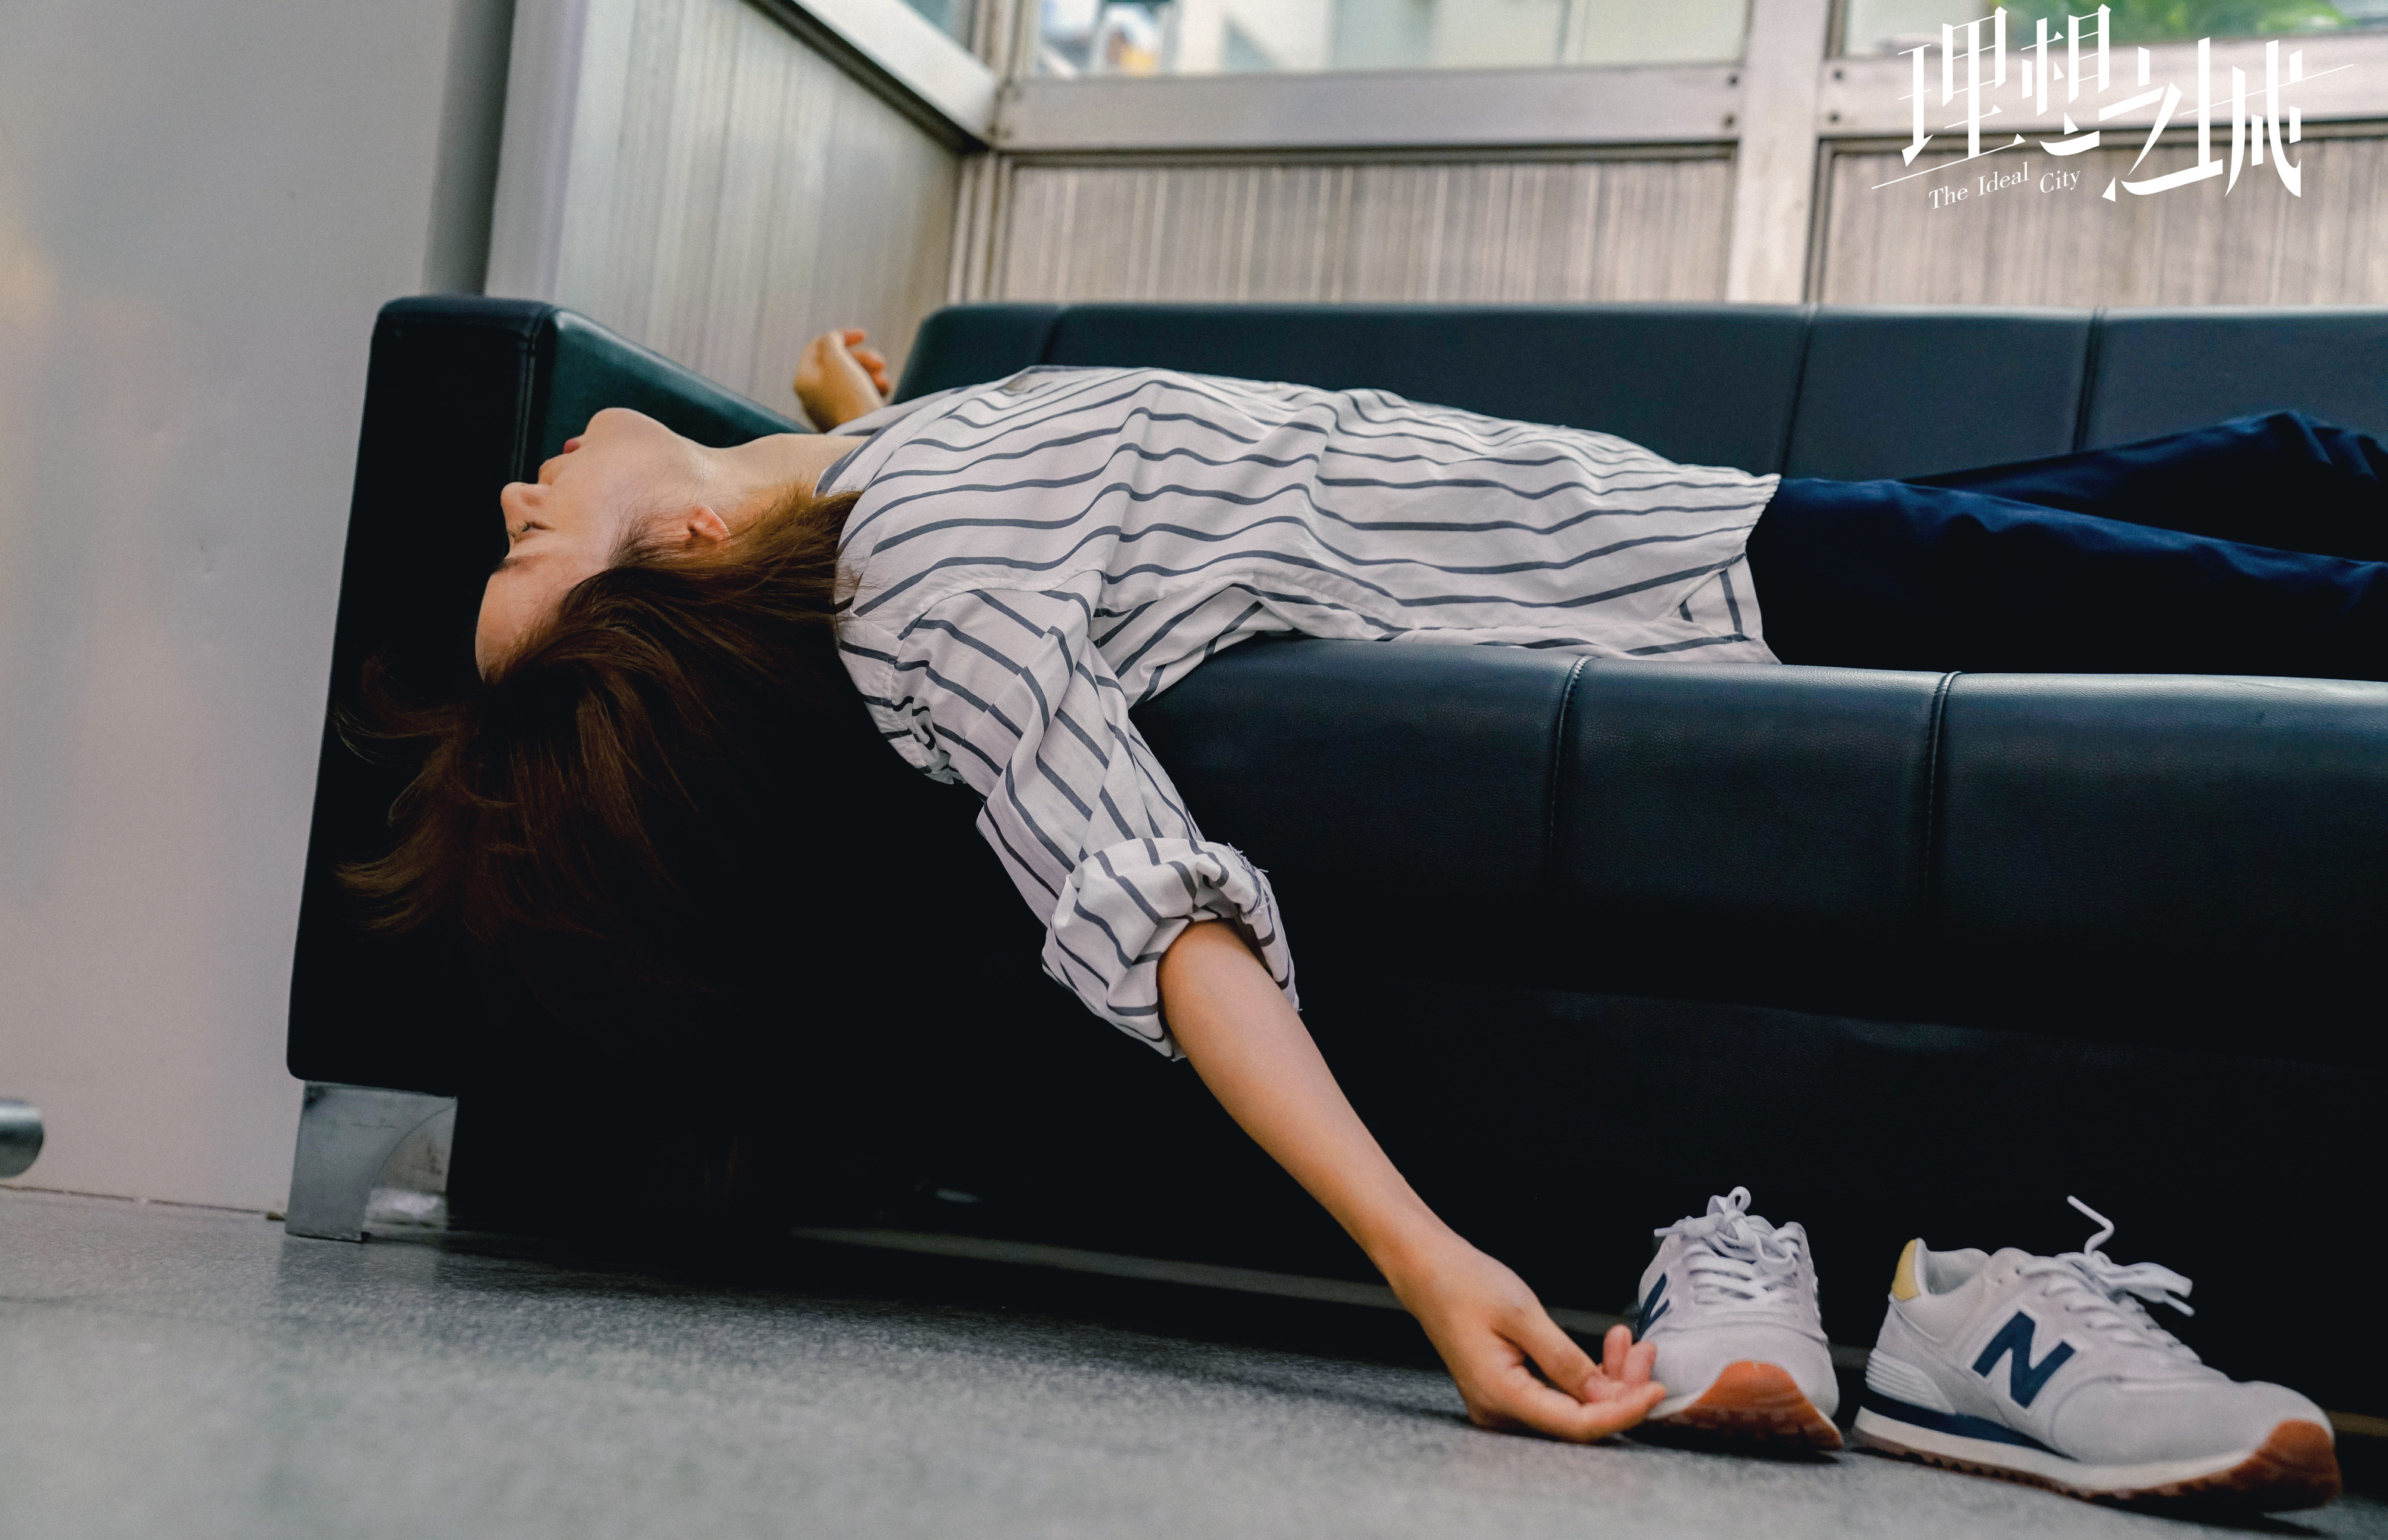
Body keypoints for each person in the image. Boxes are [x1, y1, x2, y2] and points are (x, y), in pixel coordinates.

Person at [361, 326, 2388, 1452]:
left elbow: (980, 513)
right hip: (1712, 594)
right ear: (682, 545)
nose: (518, 492)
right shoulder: (927, 594)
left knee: (2289, 462)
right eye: (528, 551)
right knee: (2310, 602)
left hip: (1689, 517)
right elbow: (1157, 911)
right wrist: (1427, 1258)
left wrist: (851, 418)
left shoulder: (879, 494)